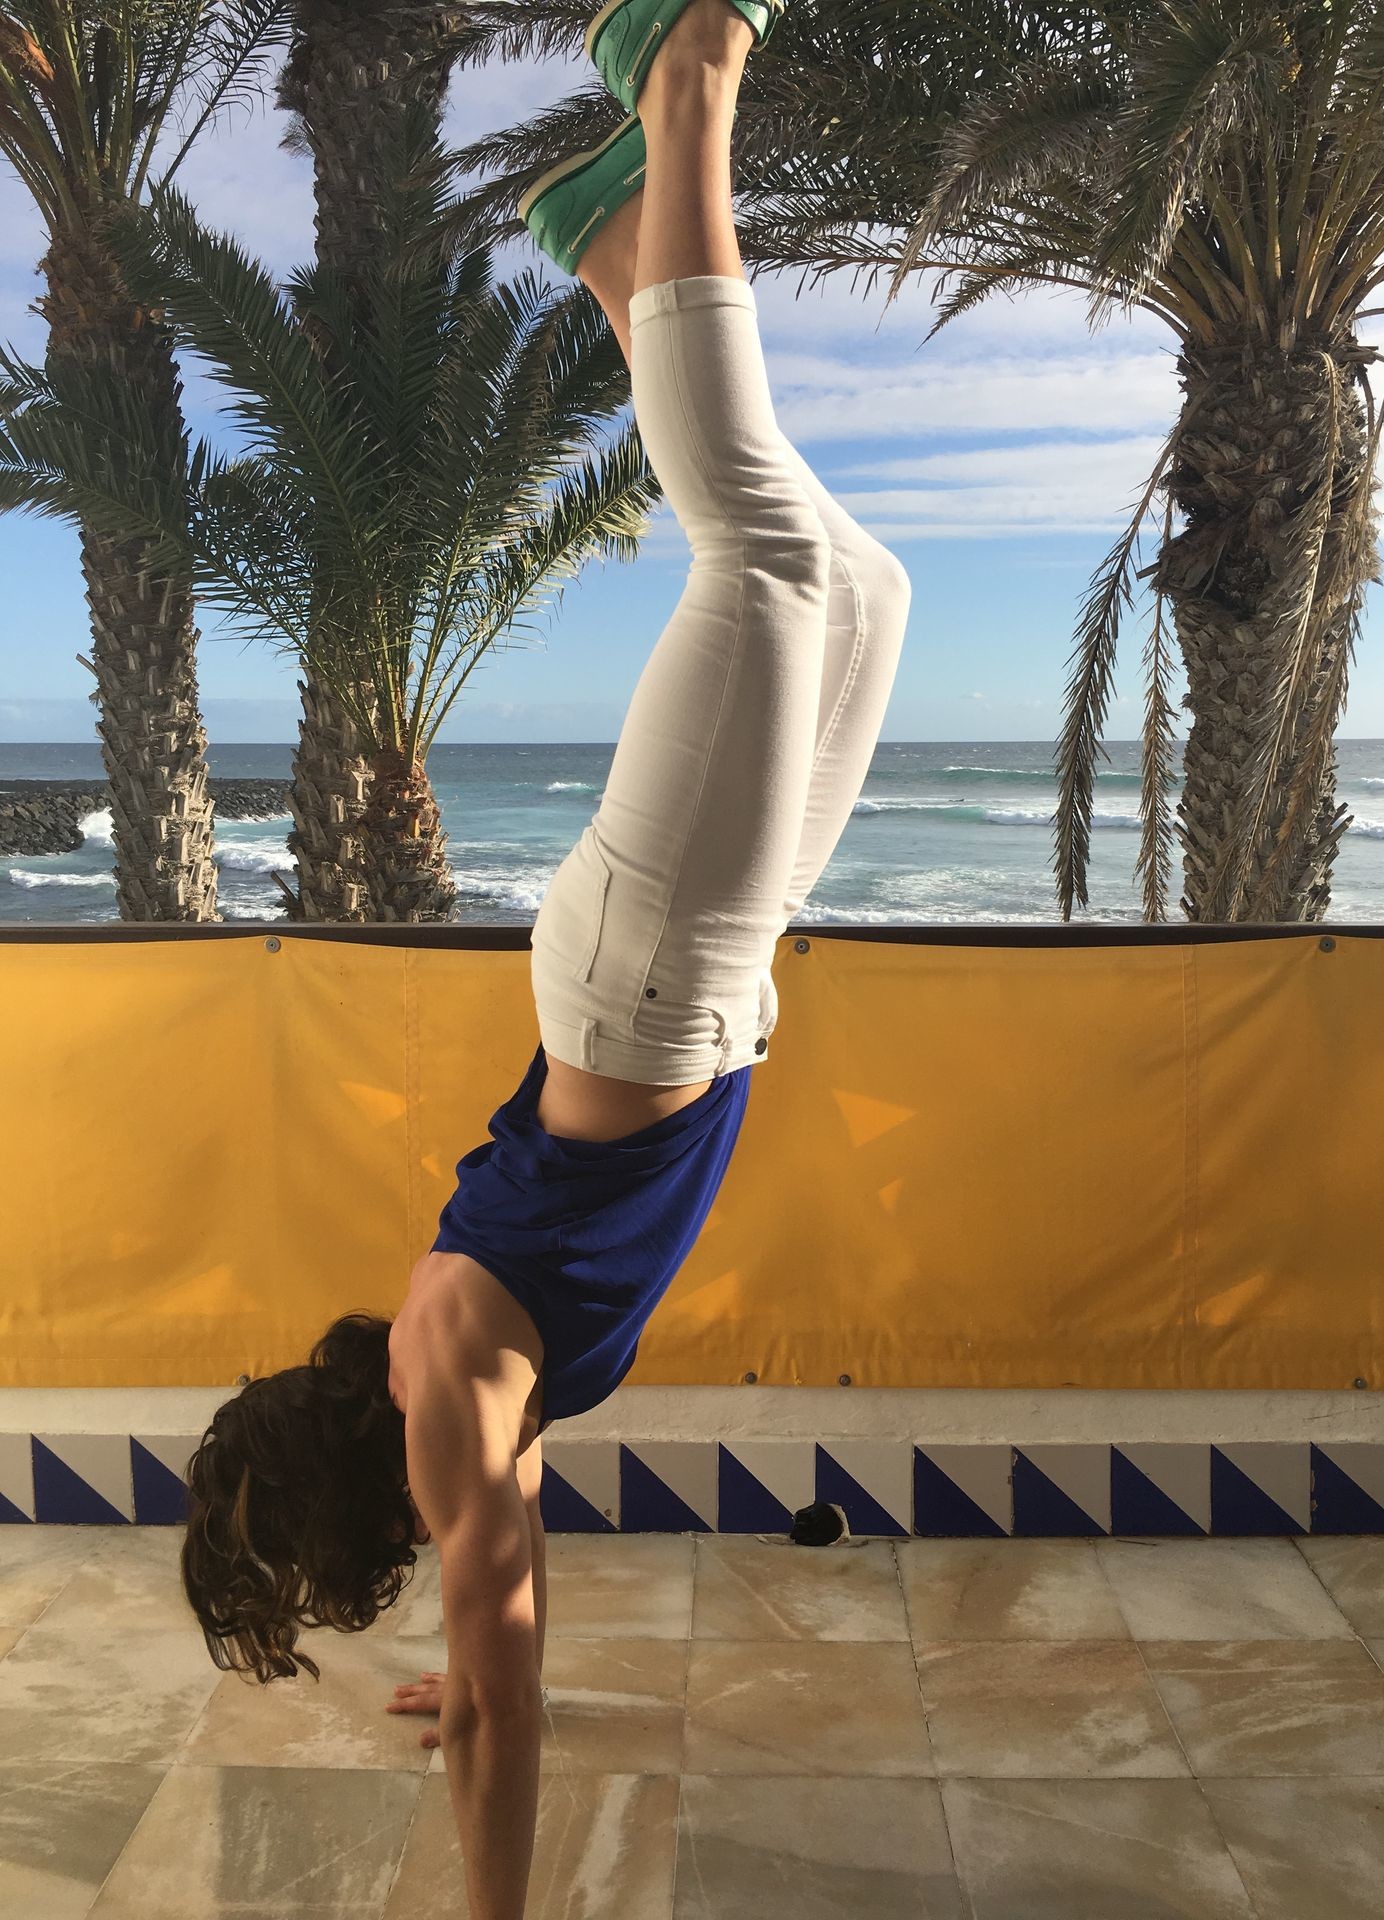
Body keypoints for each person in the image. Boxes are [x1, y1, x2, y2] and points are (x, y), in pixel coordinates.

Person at [180, 3, 909, 1915]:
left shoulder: (455, 1412)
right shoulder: (452, 1406)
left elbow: (507, 1708)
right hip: (677, 995)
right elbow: (503, 1610)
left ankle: (683, 83)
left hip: (650, 983)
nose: (354, 1599)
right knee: (871, 589)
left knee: (762, 560)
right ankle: (607, 245)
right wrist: (476, 1659)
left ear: (368, 1503)